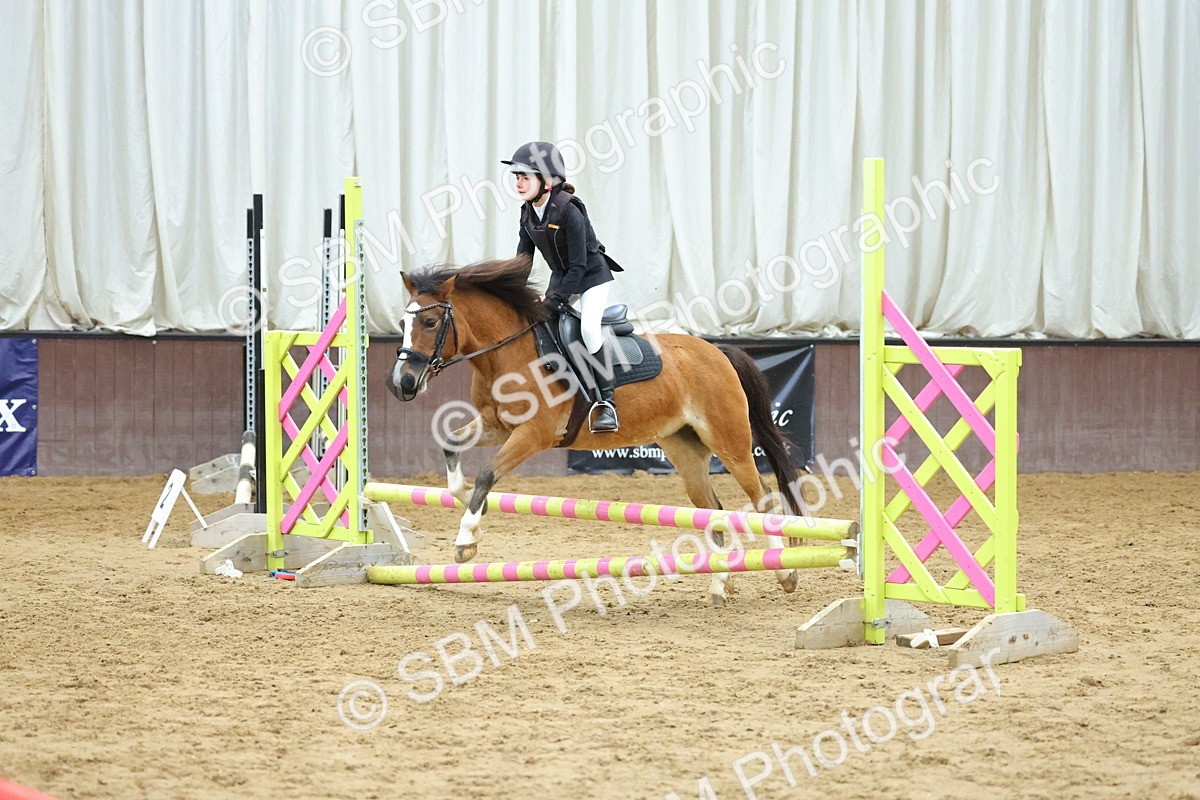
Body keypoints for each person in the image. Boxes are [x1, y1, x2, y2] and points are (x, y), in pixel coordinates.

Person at [503, 141, 624, 433]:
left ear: (547, 182)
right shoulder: (528, 212)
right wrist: (510, 291)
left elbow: (580, 266)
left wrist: (556, 299)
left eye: (525, 177)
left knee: (588, 329)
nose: (518, 183)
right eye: (516, 177)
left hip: (592, 276)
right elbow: (523, 260)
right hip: (563, 277)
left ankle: (606, 403)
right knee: (544, 329)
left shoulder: (569, 210)